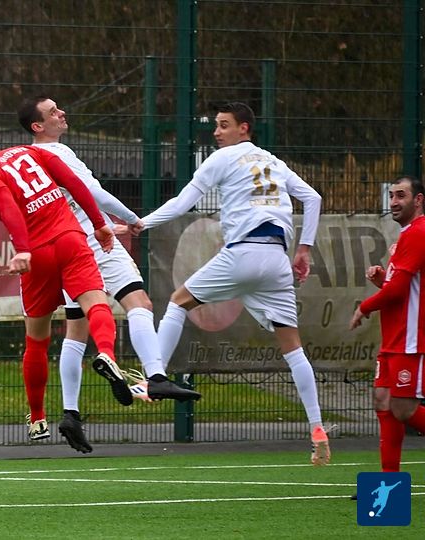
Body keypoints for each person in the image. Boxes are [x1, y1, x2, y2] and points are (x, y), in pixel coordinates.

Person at [134, 102, 331, 465]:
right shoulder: (273, 161)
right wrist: (303, 250)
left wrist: (140, 224)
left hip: (244, 253)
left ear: (244, 128)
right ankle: (317, 427)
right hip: (277, 261)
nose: (216, 132)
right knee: (293, 347)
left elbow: (181, 203)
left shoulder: (222, 158)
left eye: (224, 125)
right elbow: (313, 198)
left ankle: (152, 379)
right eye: (216, 125)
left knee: (178, 301)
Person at [18, 96, 201, 452]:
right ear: (38, 126)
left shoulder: (26, 161)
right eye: (53, 112)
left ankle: (71, 413)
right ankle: (155, 376)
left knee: (76, 328)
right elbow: (92, 192)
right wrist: (132, 219)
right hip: (93, 241)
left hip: (64, 244)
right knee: (139, 303)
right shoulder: (57, 152)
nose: (61, 112)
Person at [0, 136, 134, 445]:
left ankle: (37, 419)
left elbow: (8, 207)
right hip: (71, 238)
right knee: (96, 303)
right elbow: (74, 183)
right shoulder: (30, 151)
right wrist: (99, 224)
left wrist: (22, 249)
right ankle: (107, 354)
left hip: (36, 253)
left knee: (36, 339)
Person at [349, 175, 425, 473]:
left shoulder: (418, 233)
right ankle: (388, 485)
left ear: (418, 200)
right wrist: (382, 279)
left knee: (403, 409)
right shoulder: (406, 236)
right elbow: (400, 288)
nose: (394, 201)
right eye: (392, 195)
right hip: (394, 338)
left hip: (410, 339)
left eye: (401, 195)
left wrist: (364, 307)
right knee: (382, 400)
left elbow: (398, 292)